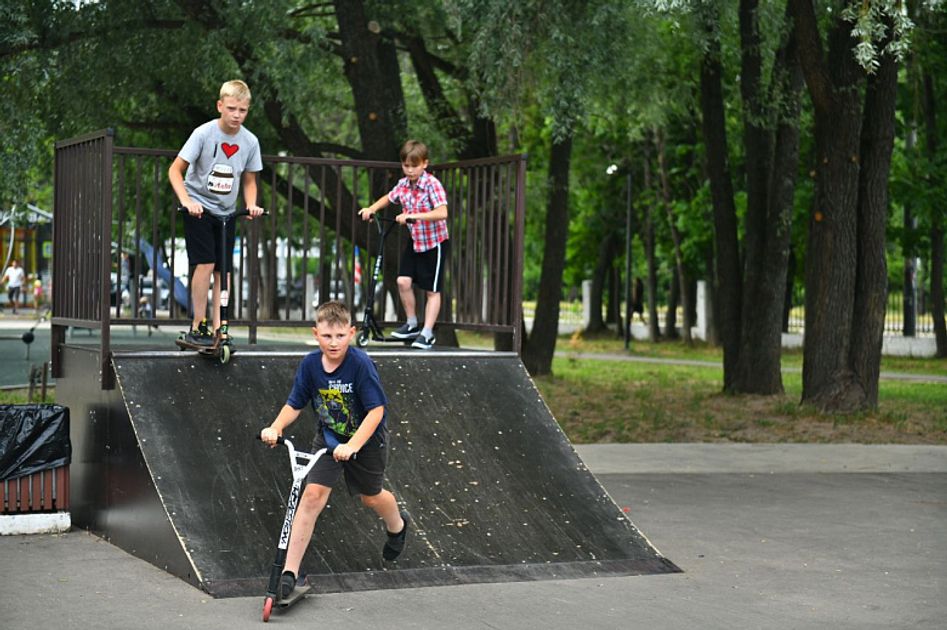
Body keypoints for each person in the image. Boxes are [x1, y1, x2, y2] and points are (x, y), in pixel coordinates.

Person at [260, 301, 409, 599]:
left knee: (371, 497)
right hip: (328, 441)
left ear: (351, 333)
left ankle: (398, 525)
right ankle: (290, 573)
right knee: (312, 495)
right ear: (316, 334)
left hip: (366, 443)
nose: (333, 343)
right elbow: (295, 403)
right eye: (327, 336)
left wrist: (353, 445)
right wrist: (276, 427)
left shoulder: (360, 364)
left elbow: (376, 411)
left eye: (340, 336)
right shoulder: (311, 365)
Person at [168, 79, 264, 346]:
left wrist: (251, 204)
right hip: (198, 207)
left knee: (225, 272)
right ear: (220, 105)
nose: (236, 115)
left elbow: (249, 180)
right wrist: (187, 201)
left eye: (242, 110)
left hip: (226, 213)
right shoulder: (203, 133)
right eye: (232, 108)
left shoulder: (250, 141)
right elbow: (175, 170)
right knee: (206, 264)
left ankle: (220, 327)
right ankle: (197, 325)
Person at [358, 140, 449, 350]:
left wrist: (412, 215)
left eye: (414, 166)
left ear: (424, 164)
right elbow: (389, 198)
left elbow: (442, 212)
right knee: (402, 282)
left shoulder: (432, 185)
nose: (409, 170)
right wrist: (371, 209)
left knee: (432, 291)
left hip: (435, 243)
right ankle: (412, 324)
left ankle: (427, 334)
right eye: (406, 165)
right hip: (416, 241)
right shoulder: (403, 185)